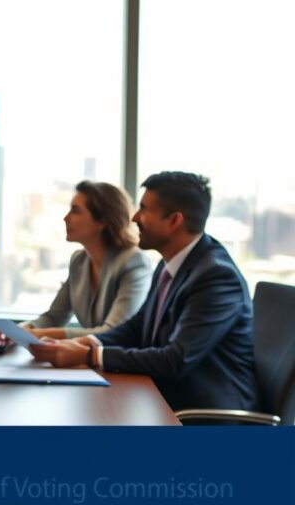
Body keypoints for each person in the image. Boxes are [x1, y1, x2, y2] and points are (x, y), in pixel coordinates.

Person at [28, 172, 256, 411]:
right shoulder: (169, 264)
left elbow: (175, 359)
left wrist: (89, 355)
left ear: (174, 221)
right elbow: (137, 327)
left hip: (205, 414)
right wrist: (89, 341)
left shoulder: (216, 277)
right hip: (163, 398)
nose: (135, 217)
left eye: (144, 209)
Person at [22, 181, 152, 339]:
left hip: (118, 361)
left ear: (102, 221)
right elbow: (54, 317)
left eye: (75, 211)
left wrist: (41, 334)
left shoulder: (133, 262)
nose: (66, 218)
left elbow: (113, 332)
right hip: (87, 359)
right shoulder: (79, 261)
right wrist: (21, 329)